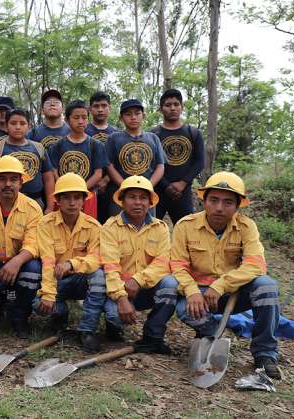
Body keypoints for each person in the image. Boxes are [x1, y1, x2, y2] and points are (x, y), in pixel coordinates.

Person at [171, 172, 281, 378]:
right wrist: (192, 291)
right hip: (200, 294)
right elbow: (177, 265)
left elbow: (256, 264)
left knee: (266, 286)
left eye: (228, 202)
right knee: (183, 309)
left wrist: (221, 285)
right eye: (214, 200)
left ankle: (265, 354)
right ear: (203, 200)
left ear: (238, 205)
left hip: (233, 293)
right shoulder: (185, 226)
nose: (220, 207)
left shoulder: (247, 227)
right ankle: (213, 334)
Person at [101, 176, 178, 354]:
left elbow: (163, 262)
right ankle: (113, 327)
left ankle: (153, 337)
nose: (138, 202)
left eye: (143, 198)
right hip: (118, 291)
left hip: (146, 289)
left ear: (150, 202)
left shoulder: (161, 228)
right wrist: (121, 298)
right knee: (114, 317)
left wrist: (137, 280)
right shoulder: (110, 227)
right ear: (122, 201)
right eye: (132, 197)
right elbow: (110, 267)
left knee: (170, 283)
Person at [0, 156, 43, 338]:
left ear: (21, 182)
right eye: (2, 179)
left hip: (20, 266)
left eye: (13, 179)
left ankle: (19, 316)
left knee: (34, 269)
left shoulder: (32, 208)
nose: (7, 184)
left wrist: (17, 261)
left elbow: (33, 243)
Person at [37, 173, 106, 352]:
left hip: (79, 280)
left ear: (84, 200)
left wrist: (72, 264)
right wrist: (48, 295)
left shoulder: (94, 227)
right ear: (58, 200)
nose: (72, 203)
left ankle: (87, 330)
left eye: (77, 197)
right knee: (38, 305)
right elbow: (47, 261)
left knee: (98, 275)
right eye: (66, 197)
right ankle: (59, 318)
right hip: (55, 280)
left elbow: (96, 259)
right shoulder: (45, 224)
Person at [0, 108, 54, 211]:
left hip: (35, 201)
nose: (18, 127)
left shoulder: (39, 148)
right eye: (13, 123)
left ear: (29, 126)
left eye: (22, 123)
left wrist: (50, 206)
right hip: (4, 203)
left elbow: (48, 179)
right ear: (6, 126)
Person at [151, 88, 205, 224]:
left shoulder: (193, 133)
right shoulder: (153, 135)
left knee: (187, 233)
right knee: (150, 231)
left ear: (182, 107)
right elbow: (150, 164)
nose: (172, 108)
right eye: (168, 105)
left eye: (176, 104)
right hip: (158, 191)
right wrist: (166, 186)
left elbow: (200, 162)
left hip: (184, 192)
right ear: (161, 109)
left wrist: (182, 183)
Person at [105, 99, 165, 217]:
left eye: (137, 113)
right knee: (119, 226)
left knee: (147, 227)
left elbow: (160, 165)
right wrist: (124, 185)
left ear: (144, 116)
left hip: (146, 194)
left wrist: (148, 185)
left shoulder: (153, 138)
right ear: (121, 118)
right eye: (128, 114)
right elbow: (109, 165)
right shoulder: (114, 138)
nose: (133, 117)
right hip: (121, 194)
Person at [50, 100, 107, 219]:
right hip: (63, 196)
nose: (80, 121)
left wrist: (80, 191)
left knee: (87, 229)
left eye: (84, 117)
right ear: (66, 120)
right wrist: (65, 189)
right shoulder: (57, 145)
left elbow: (98, 174)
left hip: (87, 195)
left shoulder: (95, 145)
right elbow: (54, 171)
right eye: (76, 117)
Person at [85, 91, 118, 224]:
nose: (100, 109)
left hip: (111, 185)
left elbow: (118, 160)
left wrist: (105, 180)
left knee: (109, 222)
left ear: (109, 108)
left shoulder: (116, 133)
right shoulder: (83, 131)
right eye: (96, 106)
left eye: (104, 106)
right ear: (90, 109)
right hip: (88, 185)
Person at [27, 88, 70, 153]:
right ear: (42, 110)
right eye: (48, 102)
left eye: (56, 102)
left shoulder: (72, 132)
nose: (52, 104)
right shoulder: (32, 134)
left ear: (63, 109)